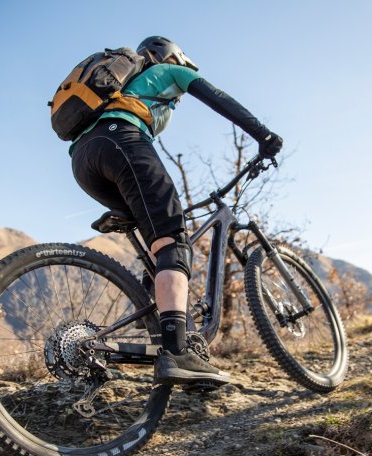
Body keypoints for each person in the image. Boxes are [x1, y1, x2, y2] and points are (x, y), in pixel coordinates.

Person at [70, 36, 283, 387]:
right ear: (172, 56)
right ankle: (177, 351)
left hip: (84, 159)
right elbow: (220, 99)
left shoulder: (126, 89)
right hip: (121, 140)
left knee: (157, 233)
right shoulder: (170, 71)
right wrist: (264, 135)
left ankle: (152, 309)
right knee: (173, 242)